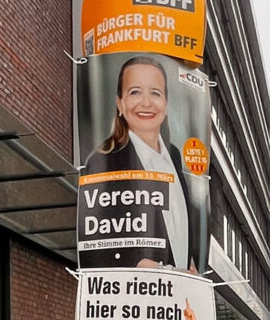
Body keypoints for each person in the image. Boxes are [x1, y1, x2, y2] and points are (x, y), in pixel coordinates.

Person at [82, 56, 196, 270]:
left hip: (180, 293)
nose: (146, 102)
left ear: (166, 104)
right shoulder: (103, 161)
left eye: (155, 93)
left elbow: (179, 230)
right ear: (120, 104)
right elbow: (96, 246)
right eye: (135, 92)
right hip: (135, 295)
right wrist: (157, 269)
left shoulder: (173, 156)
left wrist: (190, 265)